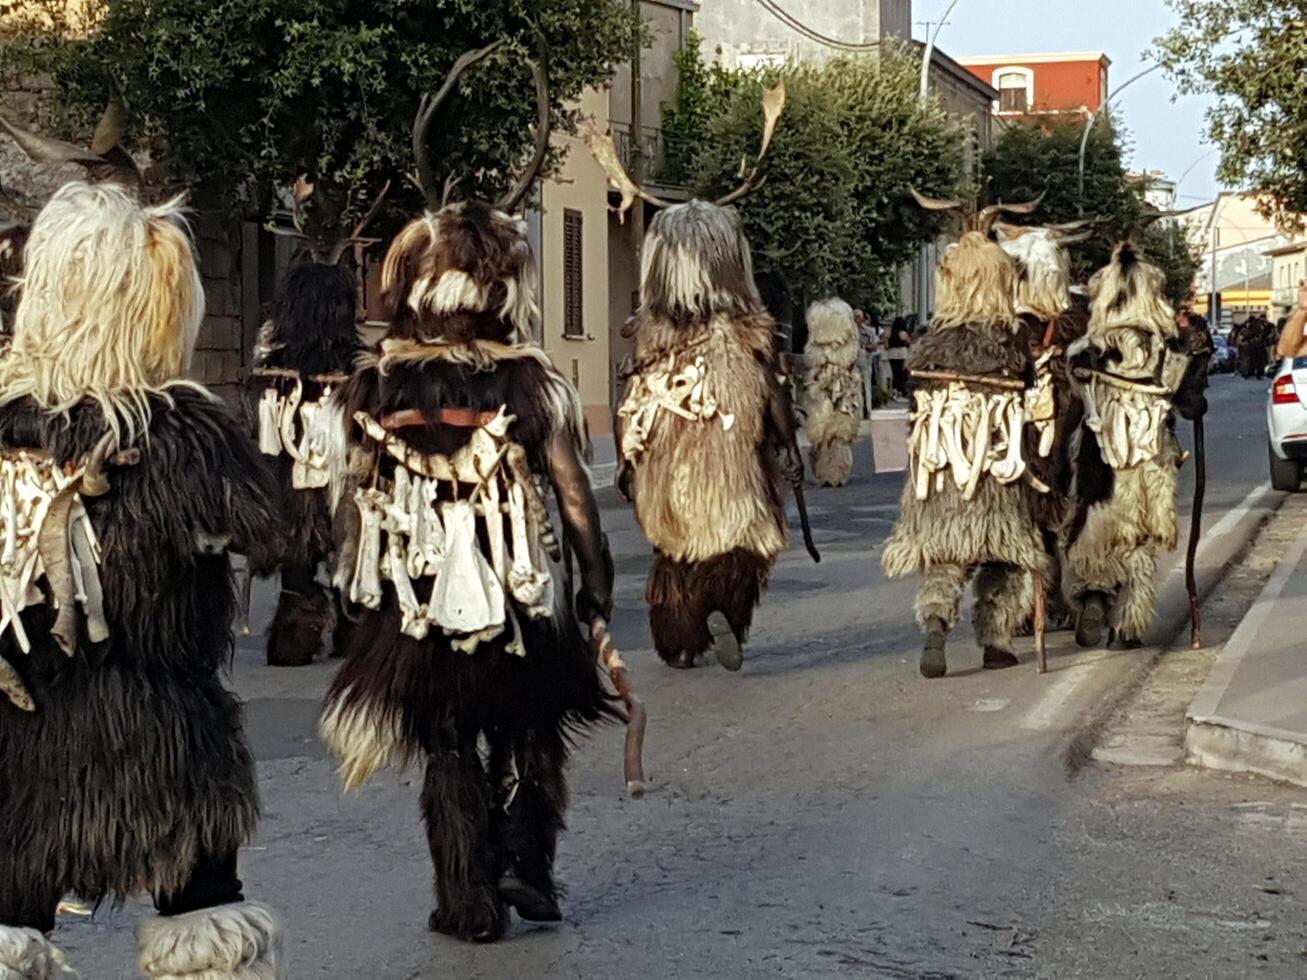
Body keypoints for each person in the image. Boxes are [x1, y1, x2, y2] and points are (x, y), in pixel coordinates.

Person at [317, 52, 618, 943]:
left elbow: (351, 503)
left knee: (443, 742)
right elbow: (573, 497)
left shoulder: (371, 391)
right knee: (532, 733)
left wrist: (352, 597)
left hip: (419, 611)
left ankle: (467, 901)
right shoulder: (532, 382)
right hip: (523, 604)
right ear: (503, 288)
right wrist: (594, 591)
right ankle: (531, 866)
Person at [0, 182, 284, 977]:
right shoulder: (185, 438)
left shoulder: (6, 427)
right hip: (166, 740)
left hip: (22, 734)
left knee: (9, 921)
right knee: (203, 918)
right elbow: (267, 537)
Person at [615, 199, 801, 671]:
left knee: (674, 548)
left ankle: (677, 641)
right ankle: (721, 607)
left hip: (664, 462)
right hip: (729, 460)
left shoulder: (649, 337)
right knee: (741, 541)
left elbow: (631, 401)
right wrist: (790, 445)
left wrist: (625, 458)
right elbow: (772, 396)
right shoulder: (747, 336)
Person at [881, 230, 1047, 678]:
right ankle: (995, 639)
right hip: (997, 471)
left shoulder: (931, 342)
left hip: (942, 472)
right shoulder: (1012, 341)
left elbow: (913, 390)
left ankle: (936, 619)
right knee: (1004, 555)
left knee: (945, 555)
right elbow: (1028, 386)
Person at [1062, 241, 1208, 649]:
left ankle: (1093, 593)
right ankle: (1128, 622)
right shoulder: (1165, 350)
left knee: (1091, 527)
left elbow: (1070, 396)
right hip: (1149, 460)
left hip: (1098, 454)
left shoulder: (1087, 350)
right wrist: (1193, 387)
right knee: (1140, 540)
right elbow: (1188, 401)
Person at [250, 258, 363, 665]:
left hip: (290, 482)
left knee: (296, 564)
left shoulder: (271, 367)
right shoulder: (358, 368)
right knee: (352, 554)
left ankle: (297, 627)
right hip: (345, 480)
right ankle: (351, 624)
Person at [802, 297, 864, 486]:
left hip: (834, 387)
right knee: (832, 430)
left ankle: (830, 470)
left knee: (831, 429)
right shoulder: (847, 346)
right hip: (833, 386)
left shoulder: (819, 348)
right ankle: (832, 470)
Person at [885, 316, 911, 397]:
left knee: (894, 372)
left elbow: (886, 344)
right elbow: (908, 343)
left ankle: (895, 389)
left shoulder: (890, 331)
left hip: (892, 353)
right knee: (902, 372)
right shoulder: (904, 333)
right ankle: (902, 389)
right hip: (902, 353)